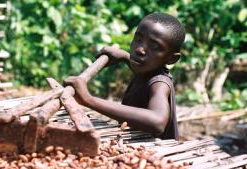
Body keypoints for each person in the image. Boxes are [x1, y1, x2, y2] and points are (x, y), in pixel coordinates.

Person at [64, 12, 185, 140]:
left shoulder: (160, 84)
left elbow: (157, 122)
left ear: (171, 59)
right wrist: (123, 56)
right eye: (138, 39)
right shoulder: (147, 69)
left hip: (155, 152)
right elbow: (140, 67)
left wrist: (88, 99)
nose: (140, 50)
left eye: (154, 46)